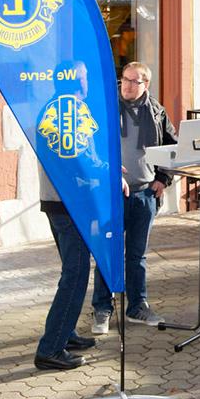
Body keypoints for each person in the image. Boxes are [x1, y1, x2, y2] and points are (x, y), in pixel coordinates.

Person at [92, 61, 178, 334]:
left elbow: (172, 147)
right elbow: (91, 145)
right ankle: (103, 308)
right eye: (124, 80)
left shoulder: (156, 112)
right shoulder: (105, 106)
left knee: (137, 255)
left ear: (146, 85)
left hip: (143, 195)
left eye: (133, 81)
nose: (127, 86)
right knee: (108, 251)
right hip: (111, 195)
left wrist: (163, 179)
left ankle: (137, 306)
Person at [34, 62, 104, 370]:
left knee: (72, 271)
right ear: (75, 80)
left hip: (59, 202)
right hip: (68, 204)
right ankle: (50, 349)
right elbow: (74, 159)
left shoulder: (60, 108)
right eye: (85, 76)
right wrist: (107, 171)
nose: (88, 81)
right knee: (75, 276)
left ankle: (67, 331)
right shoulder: (65, 111)